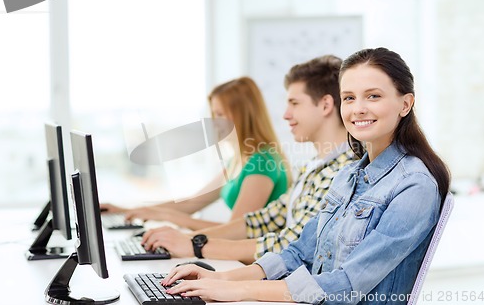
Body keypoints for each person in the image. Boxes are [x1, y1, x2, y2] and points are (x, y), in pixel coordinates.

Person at [160, 47, 451, 304]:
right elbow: (298, 252)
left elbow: (345, 285)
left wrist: (240, 290)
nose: (358, 108)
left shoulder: (414, 186)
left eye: (373, 96)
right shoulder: (349, 175)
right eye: (349, 98)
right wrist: (222, 281)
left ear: (405, 103)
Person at [141, 55, 356, 264]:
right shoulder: (312, 167)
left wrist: (196, 244)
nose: (285, 114)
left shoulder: (343, 173)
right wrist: (187, 239)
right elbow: (261, 220)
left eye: (294, 103)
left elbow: (294, 245)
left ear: (326, 105)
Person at [101, 77, 290, 230]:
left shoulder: (263, 162)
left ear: (244, 115)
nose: (215, 122)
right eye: (214, 114)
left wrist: (169, 218)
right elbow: (191, 204)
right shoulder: (239, 160)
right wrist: (127, 210)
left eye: (221, 114)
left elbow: (236, 231)